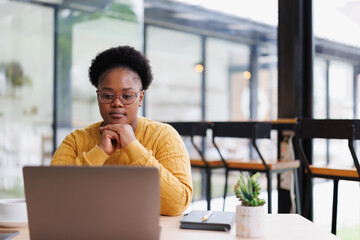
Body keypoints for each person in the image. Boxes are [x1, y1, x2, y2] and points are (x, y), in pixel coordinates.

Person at [51, 46, 193, 216]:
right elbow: (51, 198)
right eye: (108, 96)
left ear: (140, 98)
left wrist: (133, 147)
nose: (117, 103)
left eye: (126, 96)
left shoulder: (164, 136)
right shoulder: (76, 140)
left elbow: (177, 205)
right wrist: (99, 151)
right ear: (98, 97)